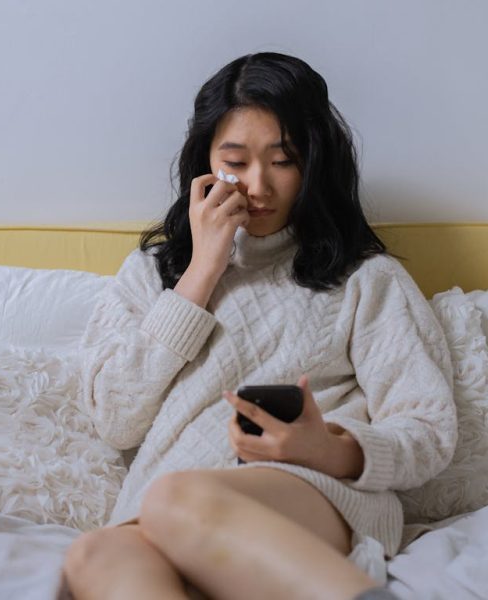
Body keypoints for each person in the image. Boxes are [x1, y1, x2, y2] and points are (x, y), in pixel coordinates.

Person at [62, 52, 456, 599]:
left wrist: (333, 449)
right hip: (162, 510)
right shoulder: (151, 275)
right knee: (93, 551)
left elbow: (430, 431)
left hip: (314, 491)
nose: (259, 185)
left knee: (178, 500)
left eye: (283, 160)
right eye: (236, 161)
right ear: (204, 162)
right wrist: (202, 271)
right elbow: (115, 420)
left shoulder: (367, 279)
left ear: (314, 161)